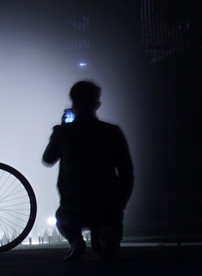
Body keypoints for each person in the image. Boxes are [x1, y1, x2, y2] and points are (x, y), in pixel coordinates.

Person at [42, 80, 134, 261]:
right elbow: (127, 171)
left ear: (74, 104)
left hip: (74, 205)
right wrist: (120, 203)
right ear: (97, 104)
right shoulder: (112, 132)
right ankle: (107, 230)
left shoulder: (64, 133)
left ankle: (76, 241)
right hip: (108, 203)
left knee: (62, 218)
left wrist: (59, 131)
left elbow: (48, 159)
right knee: (108, 232)